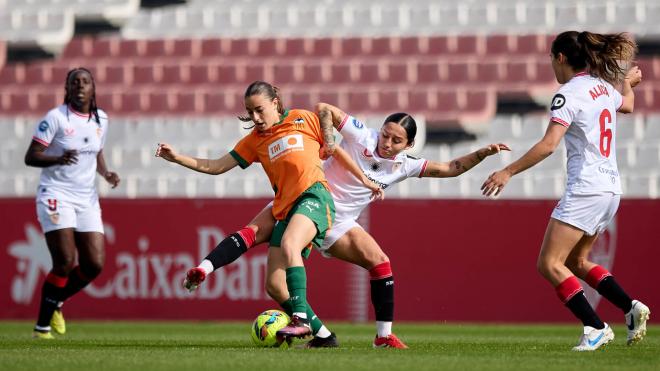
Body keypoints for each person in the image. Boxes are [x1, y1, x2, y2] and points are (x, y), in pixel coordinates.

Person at [183, 102, 509, 348]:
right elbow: (325, 108)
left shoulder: (406, 166)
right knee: (275, 285)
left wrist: (482, 152)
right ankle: (323, 335)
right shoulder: (360, 133)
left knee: (380, 263)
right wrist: (328, 137)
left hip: (337, 221)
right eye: (385, 134)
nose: (386, 143)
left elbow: (451, 168)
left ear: (408, 146)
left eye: (396, 140)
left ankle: (383, 336)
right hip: (304, 197)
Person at [156, 81, 381, 342]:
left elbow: (335, 152)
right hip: (284, 207)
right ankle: (324, 336)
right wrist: (177, 158)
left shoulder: (303, 119)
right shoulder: (254, 141)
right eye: (250, 112)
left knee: (290, 243)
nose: (255, 117)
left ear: (275, 102)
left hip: (315, 196)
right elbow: (216, 166)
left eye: (259, 110)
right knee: (274, 285)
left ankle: (302, 321)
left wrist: (364, 180)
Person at [481, 31, 650, 351]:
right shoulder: (602, 89)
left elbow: (548, 145)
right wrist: (627, 82)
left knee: (549, 263)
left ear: (560, 58)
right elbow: (626, 105)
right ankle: (630, 308)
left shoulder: (568, 93)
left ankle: (595, 326)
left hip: (586, 188)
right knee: (577, 261)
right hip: (611, 189)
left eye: (551, 59)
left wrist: (507, 170)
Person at [25, 67, 120, 339]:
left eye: (85, 82)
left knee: (94, 265)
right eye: (74, 82)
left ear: (93, 88)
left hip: (86, 198)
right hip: (56, 193)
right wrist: (58, 158)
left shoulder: (101, 118)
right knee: (65, 260)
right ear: (67, 88)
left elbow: (97, 151)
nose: (80, 86)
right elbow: (31, 156)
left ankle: (55, 301)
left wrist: (106, 172)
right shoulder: (55, 118)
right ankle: (42, 328)